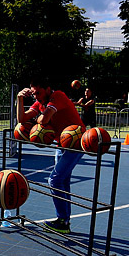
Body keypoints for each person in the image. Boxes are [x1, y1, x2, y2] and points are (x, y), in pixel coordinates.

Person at [17, 78, 85, 234]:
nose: (36, 96)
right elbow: (21, 119)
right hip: (62, 144)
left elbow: (45, 118)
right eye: (33, 94)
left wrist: (39, 119)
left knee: (54, 180)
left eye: (38, 93)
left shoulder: (58, 96)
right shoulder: (39, 102)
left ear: (48, 89)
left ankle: (62, 220)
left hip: (75, 141)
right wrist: (19, 98)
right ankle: (64, 221)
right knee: (63, 181)